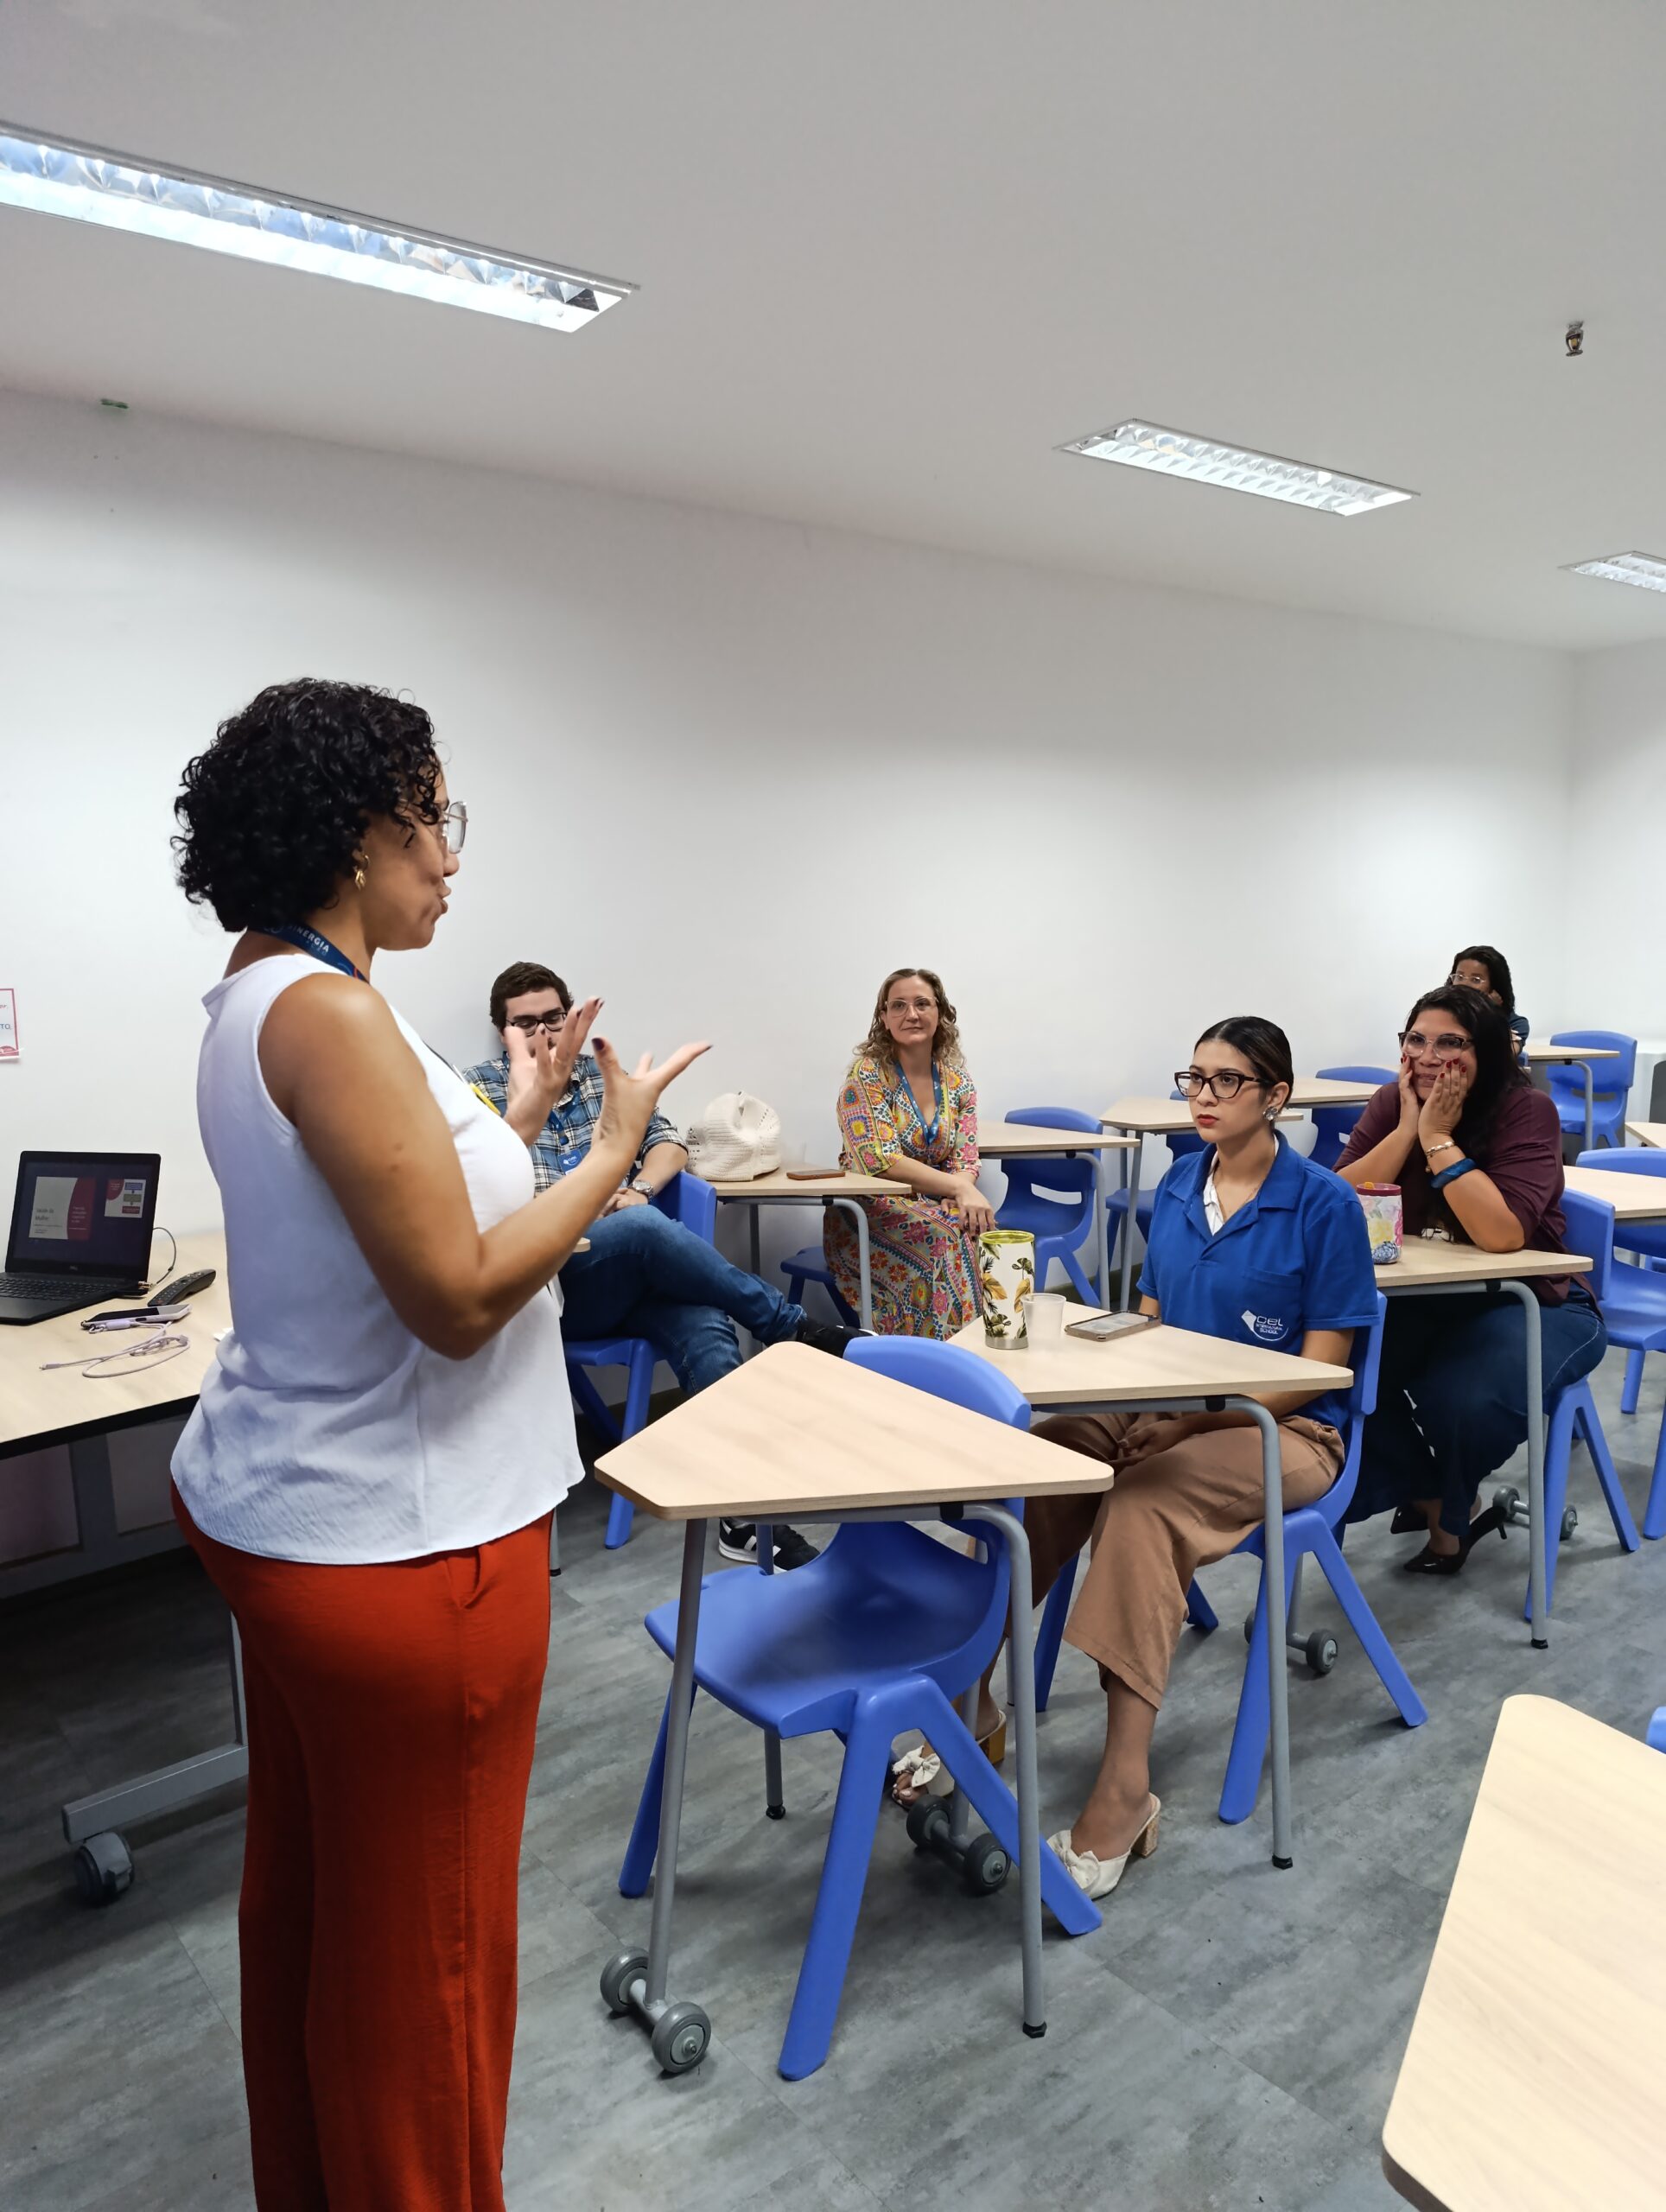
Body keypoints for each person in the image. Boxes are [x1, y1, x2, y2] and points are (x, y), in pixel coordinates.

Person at [169, 677, 708, 2211]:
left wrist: (517, 1120)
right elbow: (457, 1301)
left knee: (319, 1917)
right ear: (356, 831)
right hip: (407, 1549)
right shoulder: (333, 1015)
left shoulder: (269, 986)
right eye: (431, 818)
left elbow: (396, 1210)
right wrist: (611, 1151)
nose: (450, 856)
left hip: (301, 1516)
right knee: (432, 1984)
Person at [971, 1017, 1377, 1899]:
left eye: (1227, 1081)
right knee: (1045, 1462)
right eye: (1194, 1078)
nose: (1202, 1097)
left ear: (1276, 1097)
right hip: (1171, 1406)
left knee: (1141, 1502)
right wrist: (1103, 1378)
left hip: (1287, 1430)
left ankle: (1126, 1788)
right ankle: (972, 1696)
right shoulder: (1181, 1181)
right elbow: (1152, 1320)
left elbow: (1320, 1371)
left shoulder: (1324, 1205)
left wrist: (1189, 1425)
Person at [463, 961, 852, 1569]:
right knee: (642, 1230)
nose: (542, 1031)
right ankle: (787, 1325)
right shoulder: (479, 1092)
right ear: (502, 1031)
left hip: (632, 1274)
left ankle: (745, 1518)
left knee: (708, 1327)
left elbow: (669, 1144)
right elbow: (479, 1196)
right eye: (524, 1023)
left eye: (552, 1017)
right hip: (553, 1290)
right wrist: (590, 1206)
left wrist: (640, 1188)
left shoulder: (602, 1079)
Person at [1338, 982, 1606, 1569]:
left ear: (1485, 1052)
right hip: (1427, 1297)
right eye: (1416, 1040)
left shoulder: (1525, 1110)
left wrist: (1436, 1139)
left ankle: (1450, 1514)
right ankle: (1436, 1498)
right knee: (1335, 1374)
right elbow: (1336, 1201)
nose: (1427, 1057)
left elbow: (1502, 1235)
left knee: (1463, 1401)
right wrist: (1406, 1130)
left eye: (1451, 1044)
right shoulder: (1393, 1101)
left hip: (1533, 1301)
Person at [827, 967, 992, 1338]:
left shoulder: (958, 1082)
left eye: (922, 1004)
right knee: (946, 1237)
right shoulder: (867, 1077)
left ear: (941, 1012)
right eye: (898, 1006)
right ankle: (934, 1356)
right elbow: (880, 1160)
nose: (911, 1014)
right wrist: (957, 1189)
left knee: (985, 1232)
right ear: (884, 1018)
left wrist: (958, 1191)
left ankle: (990, 1352)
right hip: (870, 1213)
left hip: (936, 1204)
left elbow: (965, 1157)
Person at [1449, 943, 1529, 1061]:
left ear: (1494, 987)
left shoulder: (1515, 1023)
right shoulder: (1441, 1014)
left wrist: (1491, 1015)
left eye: (1476, 980)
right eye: (1459, 977)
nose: (1464, 985)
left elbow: (1502, 1058)